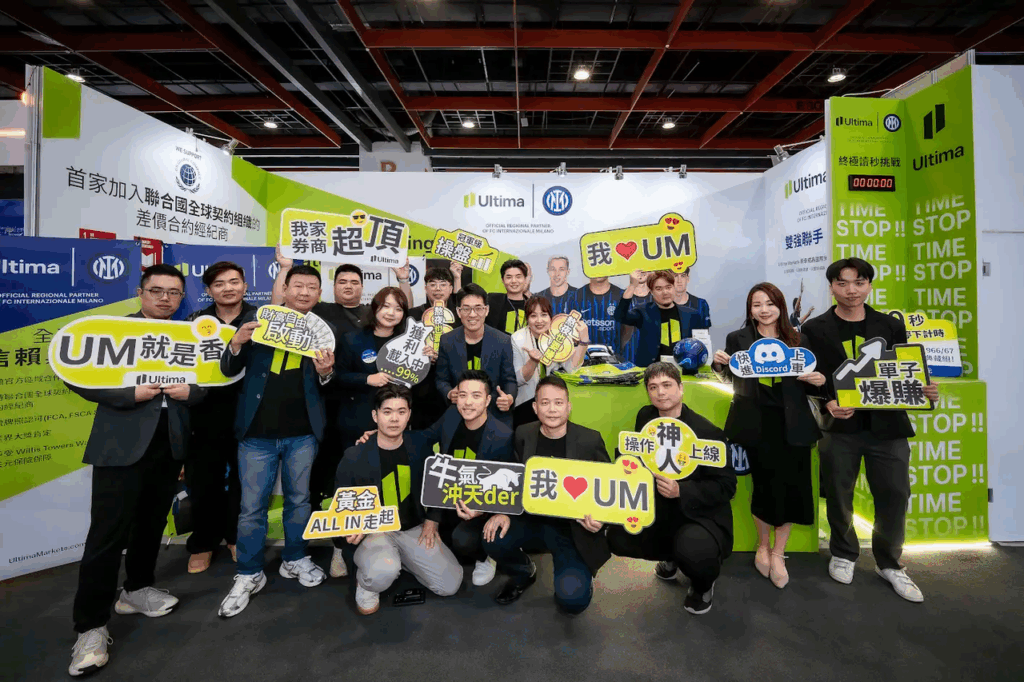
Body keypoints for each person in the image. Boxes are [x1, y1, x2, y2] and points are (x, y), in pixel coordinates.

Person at [68, 264, 207, 677]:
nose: (165, 298)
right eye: (157, 290)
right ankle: (90, 627)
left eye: (174, 292)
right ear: (140, 293)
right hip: (120, 445)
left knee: (150, 525)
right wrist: (129, 393)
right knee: (107, 535)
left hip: (170, 443)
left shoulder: (188, 335)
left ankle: (136, 589)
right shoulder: (115, 331)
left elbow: (209, 383)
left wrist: (191, 391)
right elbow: (74, 374)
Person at [802, 258, 939, 602]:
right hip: (840, 426)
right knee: (839, 493)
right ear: (831, 287)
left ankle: (889, 562)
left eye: (859, 282)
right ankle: (843, 552)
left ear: (869, 286)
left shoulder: (889, 325)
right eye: (843, 283)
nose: (851, 290)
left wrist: (923, 390)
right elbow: (809, 378)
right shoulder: (814, 329)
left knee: (895, 493)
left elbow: (905, 369)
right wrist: (827, 402)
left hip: (888, 426)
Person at [217, 264, 336, 619]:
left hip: (303, 434)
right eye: (297, 285)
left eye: (311, 287)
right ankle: (249, 572)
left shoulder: (322, 330)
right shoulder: (257, 321)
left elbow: (328, 382)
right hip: (256, 434)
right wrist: (236, 343)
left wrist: (326, 373)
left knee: (299, 500)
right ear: (284, 290)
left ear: (319, 294)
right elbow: (227, 369)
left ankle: (295, 558)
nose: (304, 292)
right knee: (252, 507)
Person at [348, 370, 515, 585]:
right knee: (439, 537)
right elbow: (424, 436)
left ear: (488, 400)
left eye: (476, 396)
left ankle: (486, 556)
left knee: (462, 539)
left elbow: (510, 484)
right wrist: (383, 433)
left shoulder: (502, 435)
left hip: (481, 505)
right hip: (449, 498)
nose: (468, 402)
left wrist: (485, 509)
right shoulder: (453, 415)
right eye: (463, 395)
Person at [711, 283, 825, 589]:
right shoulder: (738, 339)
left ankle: (778, 552)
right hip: (755, 424)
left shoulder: (799, 339)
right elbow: (729, 378)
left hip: (793, 424)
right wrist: (719, 365)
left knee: (792, 490)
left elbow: (813, 382)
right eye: (757, 304)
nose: (764, 310)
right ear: (750, 310)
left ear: (780, 307)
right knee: (763, 488)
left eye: (770, 303)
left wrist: (819, 379)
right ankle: (763, 546)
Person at [607, 363, 736, 615]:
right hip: (660, 508)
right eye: (653, 387)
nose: (660, 392)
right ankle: (671, 556)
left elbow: (726, 486)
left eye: (667, 385)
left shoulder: (708, 433)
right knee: (617, 534)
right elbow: (640, 455)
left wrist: (682, 491)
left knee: (694, 550)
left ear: (681, 388)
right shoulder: (646, 417)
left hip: (699, 515)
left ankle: (703, 584)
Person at [483, 376, 610, 614]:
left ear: (569, 406)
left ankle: (582, 578)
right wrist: (503, 511)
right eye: (545, 402)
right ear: (535, 407)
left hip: (571, 529)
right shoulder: (523, 433)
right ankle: (524, 571)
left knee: (572, 601)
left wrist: (601, 519)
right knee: (493, 536)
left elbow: (608, 488)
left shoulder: (589, 440)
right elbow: (514, 477)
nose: (552, 409)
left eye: (558, 402)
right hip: (531, 519)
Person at [336, 385, 464, 615]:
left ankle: (401, 558)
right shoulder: (355, 456)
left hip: (413, 528)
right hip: (375, 531)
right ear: (375, 416)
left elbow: (436, 484)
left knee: (450, 584)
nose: (394, 418)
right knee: (382, 572)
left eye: (401, 411)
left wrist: (432, 519)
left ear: (409, 415)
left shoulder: (420, 444)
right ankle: (367, 581)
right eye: (387, 412)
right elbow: (342, 507)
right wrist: (352, 528)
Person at [183, 261, 255, 574]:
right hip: (204, 413)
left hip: (248, 412)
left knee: (245, 482)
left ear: (245, 286)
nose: (228, 288)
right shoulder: (194, 322)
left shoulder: (260, 319)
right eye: (219, 284)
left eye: (234, 281)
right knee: (203, 482)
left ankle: (236, 537)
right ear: (209, 290)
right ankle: (203, 543)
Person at [336, 287, 409, 454]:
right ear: (375, 307)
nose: (391, 313)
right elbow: (338, 377)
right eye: (386, 306)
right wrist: (367, 379)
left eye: (398, 309)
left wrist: (426, 358)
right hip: (357, 420)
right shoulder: (352, 339)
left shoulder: (408, 344)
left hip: (394, 423)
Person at [436, 283, 518, 428]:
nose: (472, 314)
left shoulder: (502, 340)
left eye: (478, 308)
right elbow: (441, 379)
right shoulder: (447, 340)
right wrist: (449, 393)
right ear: (458, 312)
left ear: (486, 310)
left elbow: (509, 380)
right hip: (460, 413)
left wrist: (509, 398)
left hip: (494, 414)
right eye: (466, 309)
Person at [510, 296, 588, 427]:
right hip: (525, 403)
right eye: (533, 316)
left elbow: (571, 368)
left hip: (552, 401)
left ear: (551, 317)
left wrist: (584, 342)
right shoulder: (517, 339)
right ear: (527, 319)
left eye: (544, 315)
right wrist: (533, 361)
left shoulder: (558, 335)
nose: (539, 320)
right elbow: (518, 379)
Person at [407, 263, 463, 430]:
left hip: (453, 383)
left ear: (451, 288)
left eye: (443, 284)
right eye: (432, 284)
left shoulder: (459, 314)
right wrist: (422, 354)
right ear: (425, 289)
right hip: (422, 385)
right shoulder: (415, 314)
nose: (438, 289)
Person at [615, 269, 699, 368]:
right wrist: (632, 286)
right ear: (651, 292)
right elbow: (620, 316)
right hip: (650, 370)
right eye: (659, 289)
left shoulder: (691, 315)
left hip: (682, 370)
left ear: (674, 287)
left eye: (668, 287)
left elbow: (699, 346)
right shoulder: (643, 312)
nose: (665, 292)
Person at [568, 275, 625, 356]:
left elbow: (628, 334)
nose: (598, 271)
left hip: (616, 360)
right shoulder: (575, 297)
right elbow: (569, 335)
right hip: (583, 360)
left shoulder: (623, 296)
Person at [486, 258, 530, 335]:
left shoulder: (532, 305)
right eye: (509, 277)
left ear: (525, 279)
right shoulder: (492, 300)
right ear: (503, 280)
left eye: (518, 277)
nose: (514, 281)